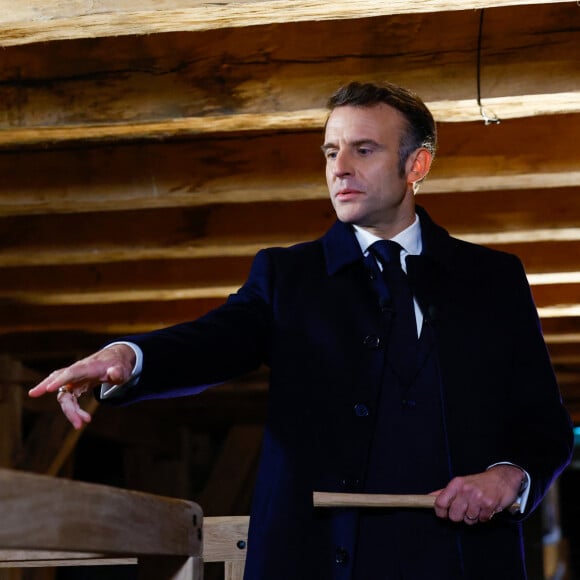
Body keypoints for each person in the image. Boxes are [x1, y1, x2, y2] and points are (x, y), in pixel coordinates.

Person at [29, 81, 573, 580]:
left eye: (364, 149)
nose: (340, 168)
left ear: (418, 164)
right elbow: (218, 339)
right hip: (316, 561)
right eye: (331, 152)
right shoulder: (288, 276)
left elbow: (543, 425)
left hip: (461, 562)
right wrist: (131, 356)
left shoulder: (493, 280)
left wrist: (508, 476)